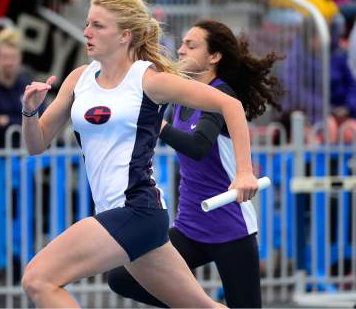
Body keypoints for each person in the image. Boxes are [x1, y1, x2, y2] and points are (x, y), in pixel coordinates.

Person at [20, 0, 258, 308]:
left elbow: (229, 105)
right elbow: (36, 144)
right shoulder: (79, 78)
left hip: (136, 211)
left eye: (98, 26)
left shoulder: (149, 80)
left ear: (125, 36)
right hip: (123, 216)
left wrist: (244, 171)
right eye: (88, 23)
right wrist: (30, 111)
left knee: (38, 278)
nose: (87, 32)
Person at [107, 20, 283, 308]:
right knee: (122, 278)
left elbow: (198, 147)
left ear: (214, 57)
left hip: (230, 227)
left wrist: (158, 125)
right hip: (190, 226)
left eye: (191, 45)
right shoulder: (181, 95)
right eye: (181, 44)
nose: (180, 50)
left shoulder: (221, 95)